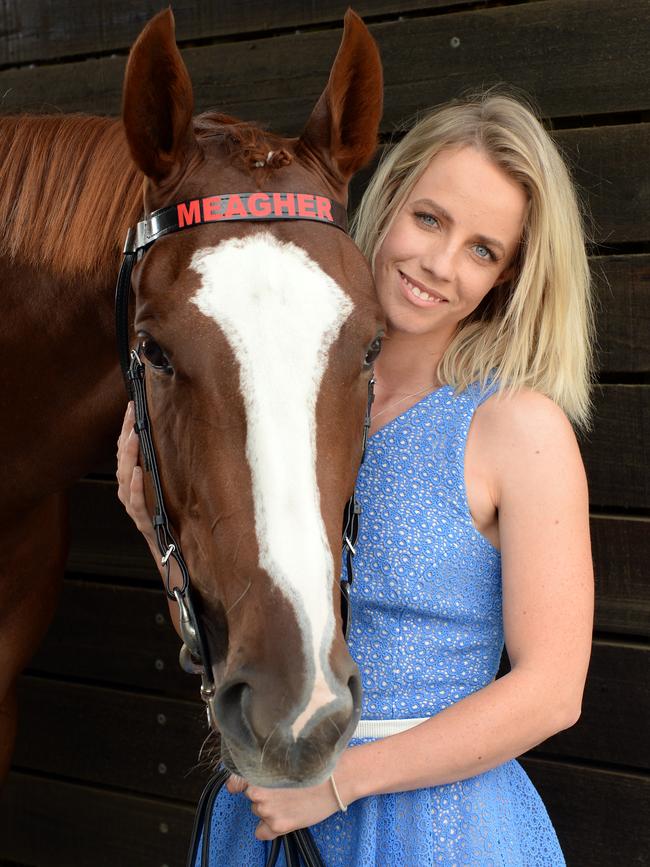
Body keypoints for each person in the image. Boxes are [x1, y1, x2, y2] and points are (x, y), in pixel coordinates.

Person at [117, 90, 594, 865]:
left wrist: (342, 781)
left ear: (508, 278)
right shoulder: (291, 407)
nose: (439, 264)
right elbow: (242, 646)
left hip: (432, 830)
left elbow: (552, 690)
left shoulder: (517, 427)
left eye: (483, 249)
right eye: (431, 218)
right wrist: (153, 529)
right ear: (390, 200)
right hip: (270, 806)